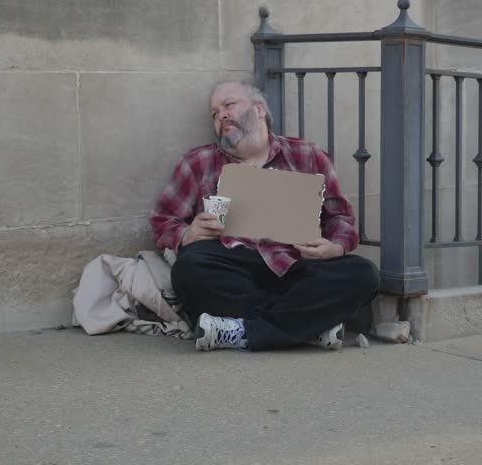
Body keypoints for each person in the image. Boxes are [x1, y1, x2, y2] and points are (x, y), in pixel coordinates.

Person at [149, 81, 379, 352]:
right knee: (189, 269)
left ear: (259, 110)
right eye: (214, 113)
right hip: (232, 265)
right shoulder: (199, 162)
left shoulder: (307, 154)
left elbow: (341, 217)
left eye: (229, 105)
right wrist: (188, 234)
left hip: (295, 263)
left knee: (364, 274)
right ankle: (307, 327)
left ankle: (244, 332)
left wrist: (334, 247)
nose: (221, 115)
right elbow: (162, 221)